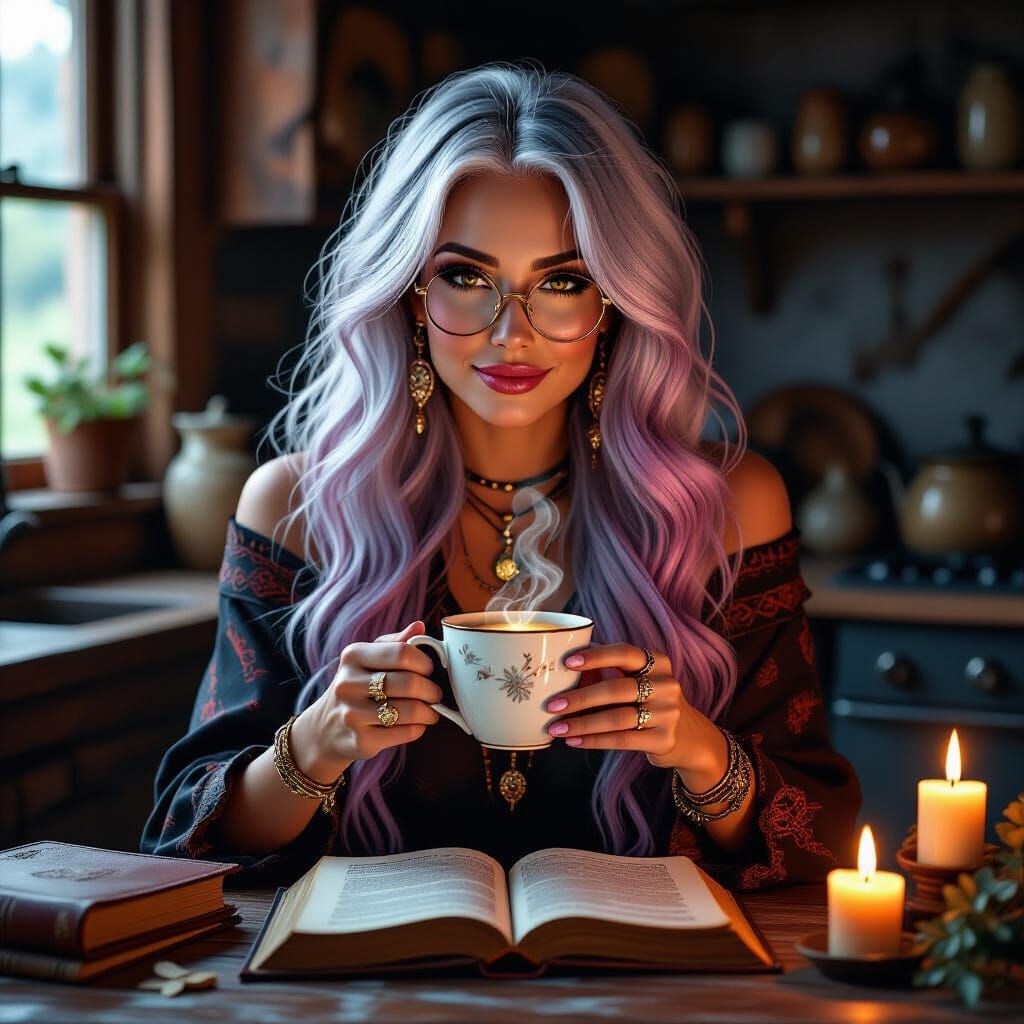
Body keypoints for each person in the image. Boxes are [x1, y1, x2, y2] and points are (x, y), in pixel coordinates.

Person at [141, 62, 860, 888]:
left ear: (614, 302)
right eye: (465, 278)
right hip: (370, 996)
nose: (509, 334)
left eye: (561, 282)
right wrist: (316, 744)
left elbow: (826, 837)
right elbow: (187, 837)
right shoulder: (296, 506)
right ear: (409, 294)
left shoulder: (728, 506)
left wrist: (697, 750)